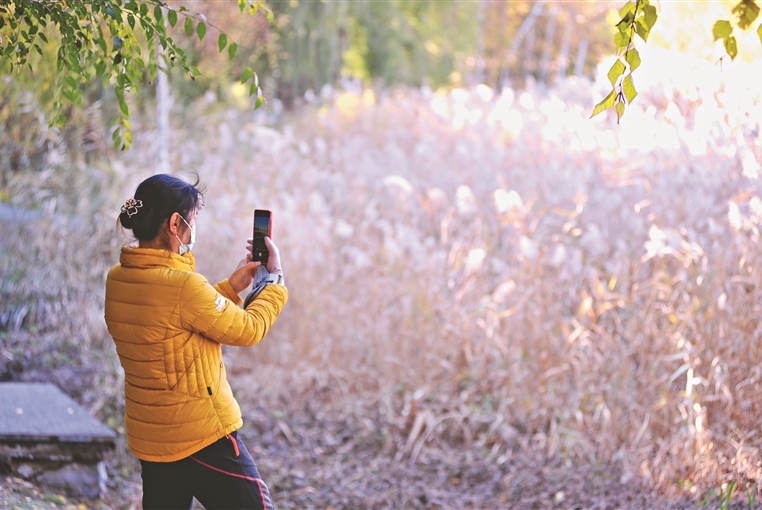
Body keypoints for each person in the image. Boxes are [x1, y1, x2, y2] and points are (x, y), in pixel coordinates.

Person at [104, 174, 287, 510]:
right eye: (194, 218)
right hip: (202, 435)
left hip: (153, 439)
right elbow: (249, 328)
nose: (194, 227)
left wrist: (230, 288)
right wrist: (273, 282)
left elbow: (174, 325)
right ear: (176, 223)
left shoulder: (118, 279)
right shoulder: (184, 287)